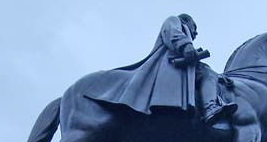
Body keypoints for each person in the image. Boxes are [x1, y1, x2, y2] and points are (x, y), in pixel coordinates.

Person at [88, 13, 236, 126]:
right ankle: (210, 108)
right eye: (194, 27)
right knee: (207, 73)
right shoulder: (174, 21)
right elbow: (172, 32)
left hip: (185, 70)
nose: (196, 33)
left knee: (208, 72)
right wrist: (186, 46)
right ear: (186, 21)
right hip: (170, 66)